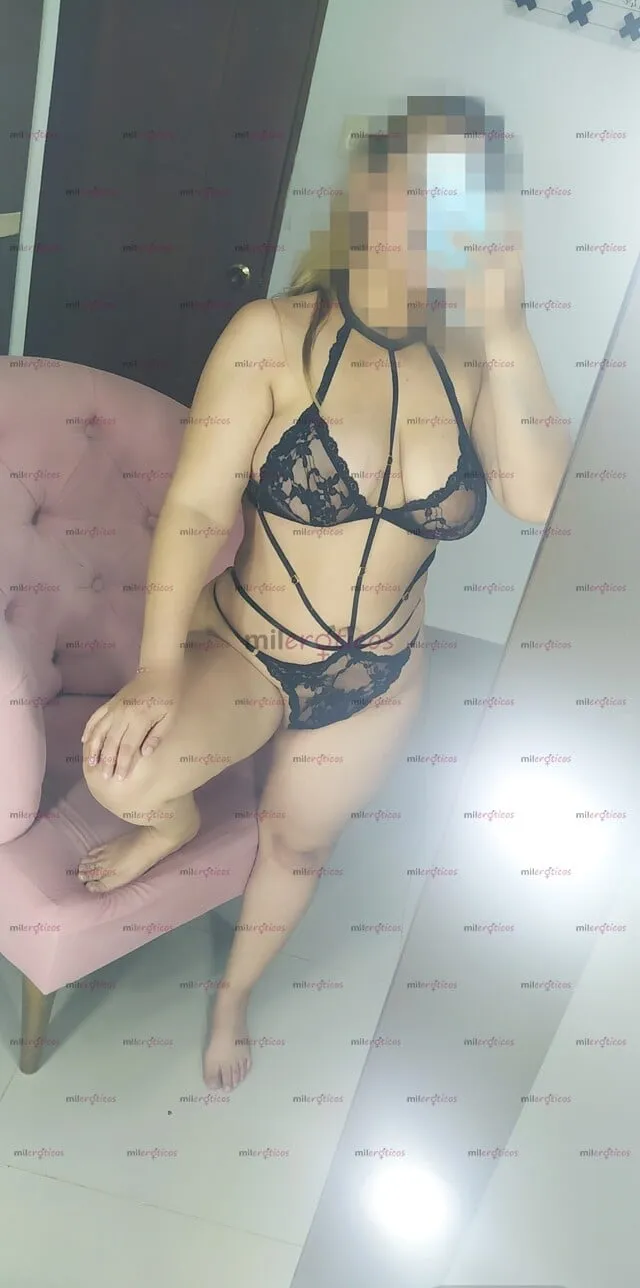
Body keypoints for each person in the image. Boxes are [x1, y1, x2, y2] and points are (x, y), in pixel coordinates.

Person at [78, 96, 573, 1090]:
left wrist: (507, 323)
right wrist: (159, 670)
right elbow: (194, 509)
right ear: (366, 187)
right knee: (123, 777)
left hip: (379, 676)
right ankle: (173, 823)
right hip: (253, 650)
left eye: (459, 198)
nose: (429, 213)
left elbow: (538, 498)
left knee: (298, 846)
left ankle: (232, 1000)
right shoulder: (273, 334)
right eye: (414, 184)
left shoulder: (475, 359)